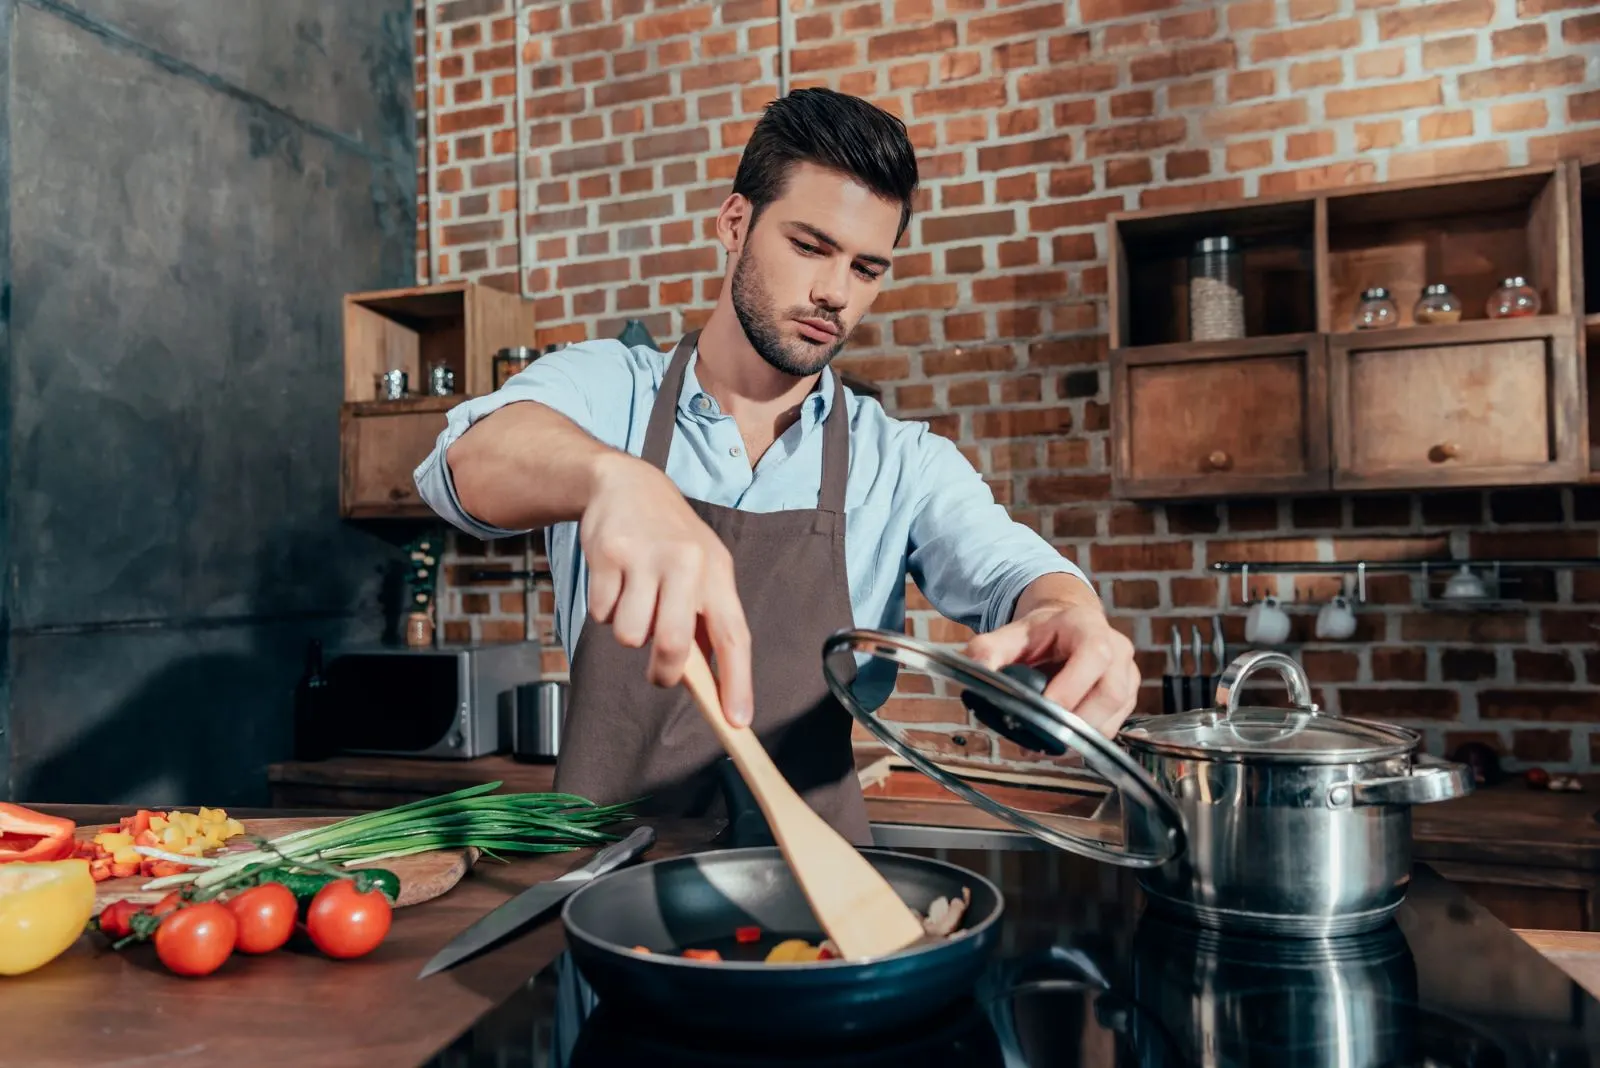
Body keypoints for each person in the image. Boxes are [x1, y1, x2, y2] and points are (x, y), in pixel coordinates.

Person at [414, 88, 1137, 845]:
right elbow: (464, 460)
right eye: (810, 246)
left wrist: (1068, 614)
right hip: (608, 893)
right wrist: (613, 479)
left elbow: (1013, 572)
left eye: (866, 267)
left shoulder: (900, 460)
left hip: (815, 893)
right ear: (735, 223)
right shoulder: (608, 393)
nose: (835, 292)